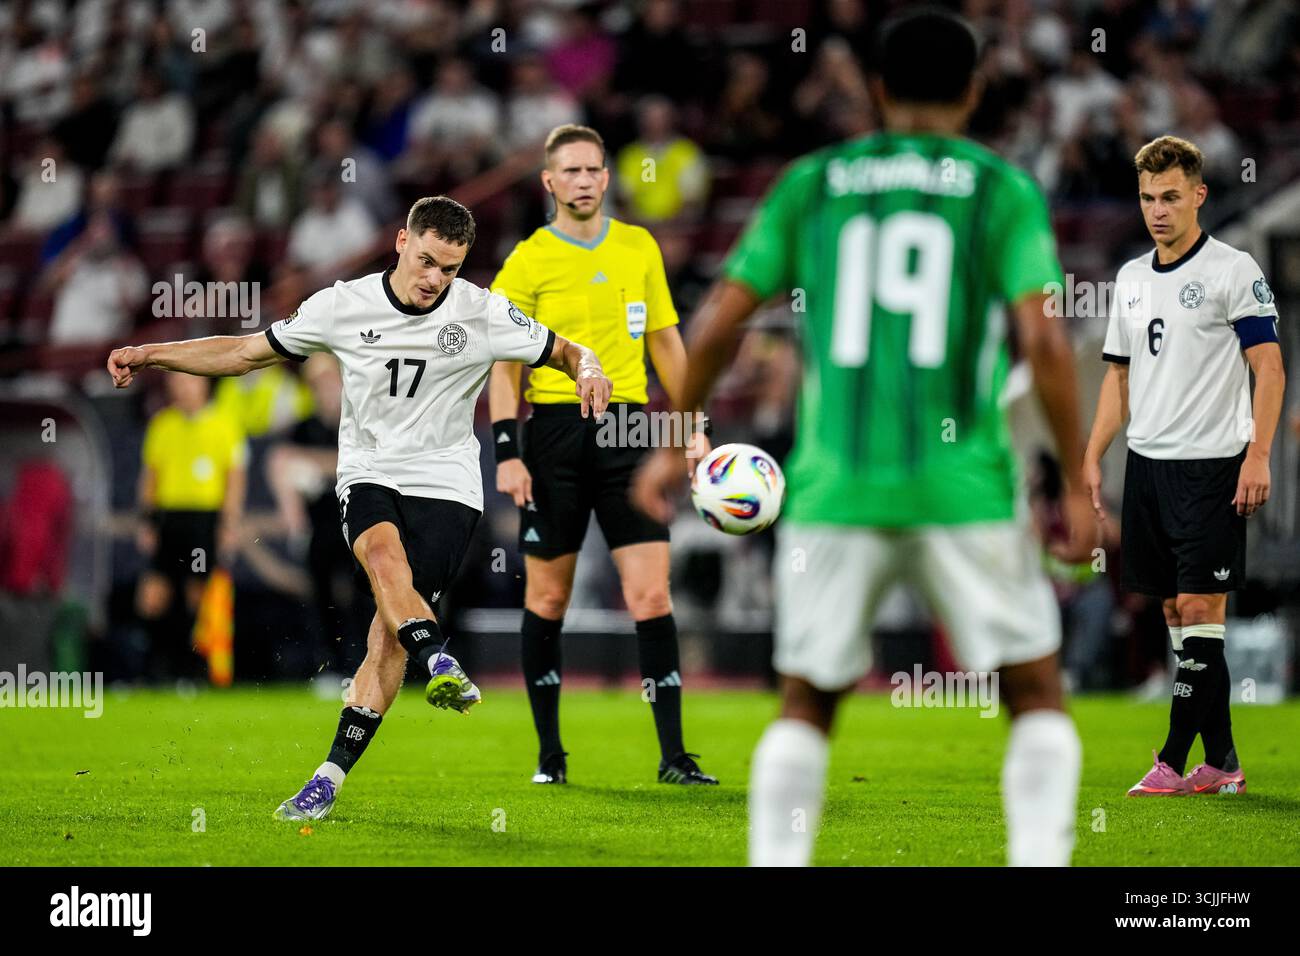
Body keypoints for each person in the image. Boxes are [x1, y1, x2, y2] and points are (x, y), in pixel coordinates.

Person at [633, 8, 1096, 866]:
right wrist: (1075, 478)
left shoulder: (813, 183)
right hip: (966, 487)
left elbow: (723, 316)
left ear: (876, 90)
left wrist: (674, 437)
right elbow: (1043, 339)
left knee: (808, 701)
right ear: (974, 90)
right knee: (1033, 689)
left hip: (833, 489)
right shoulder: (1001, 188)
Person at [107, 196, 612, 821]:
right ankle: (440, 658)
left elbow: (565, 351)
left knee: (385, 637)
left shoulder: (482, 313)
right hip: (370, 471)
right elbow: (242, 354)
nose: (435, 279)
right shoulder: (342, 305)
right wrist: (152, 354)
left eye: (449, 269)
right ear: (401, 241)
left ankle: (328, 776)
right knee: (379, 556)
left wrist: (589, 367)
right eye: (426, 260)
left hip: (449, 485)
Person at [488, 124, 717, 786]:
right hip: (554, 433)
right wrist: (508, 452)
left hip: (629, 434)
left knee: (649, 592)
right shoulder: (527, 261)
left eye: (594, 170)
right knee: (549, 599)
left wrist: (692, 424)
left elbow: (668, 345)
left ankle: (674, 756)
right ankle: (550, 757)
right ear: (549, 183)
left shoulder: (639, 247)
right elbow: (503, 368)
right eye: (572, 172)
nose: (584, 181)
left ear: (607, 178)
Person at [1083, 136, 1285, 797]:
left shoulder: (1234, 269)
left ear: (1198, 194)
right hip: (1148, 468)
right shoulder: (1134, 279)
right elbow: (1118, 378)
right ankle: (1223, 760)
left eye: (1170, 197)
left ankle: (1171, 758)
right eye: (1147, 198)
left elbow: (1271, 367)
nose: (1158, 211)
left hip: (1215, 466)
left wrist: (1258, 453)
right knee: (1177, 613)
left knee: (1201, 605)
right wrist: (1093, 451)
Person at [136, 373, 247, 682]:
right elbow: (151, 477)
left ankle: (195, 669)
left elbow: (234, 479)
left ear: (203, 385)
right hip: (169, 517)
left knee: (198, 592)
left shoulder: (224, 424)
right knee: (155, 593)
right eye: (177, 383)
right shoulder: (162, 425)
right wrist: (146, 521)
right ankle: (153, 668)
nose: (183, 389)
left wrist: (228, 524)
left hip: (204, 518)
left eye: (189, 382)